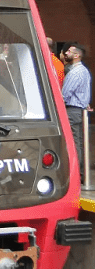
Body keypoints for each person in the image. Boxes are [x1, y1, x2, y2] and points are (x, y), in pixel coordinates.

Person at [61, 43, 92, 176]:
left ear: (77, 55)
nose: (66, 53)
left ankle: (75, 172)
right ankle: (80, 172)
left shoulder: (75, 72)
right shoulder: (83, 71)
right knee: (78, 141)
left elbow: (65, 94)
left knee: (73, 141)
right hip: (79, 110)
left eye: (69, 51)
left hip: (72, 110)